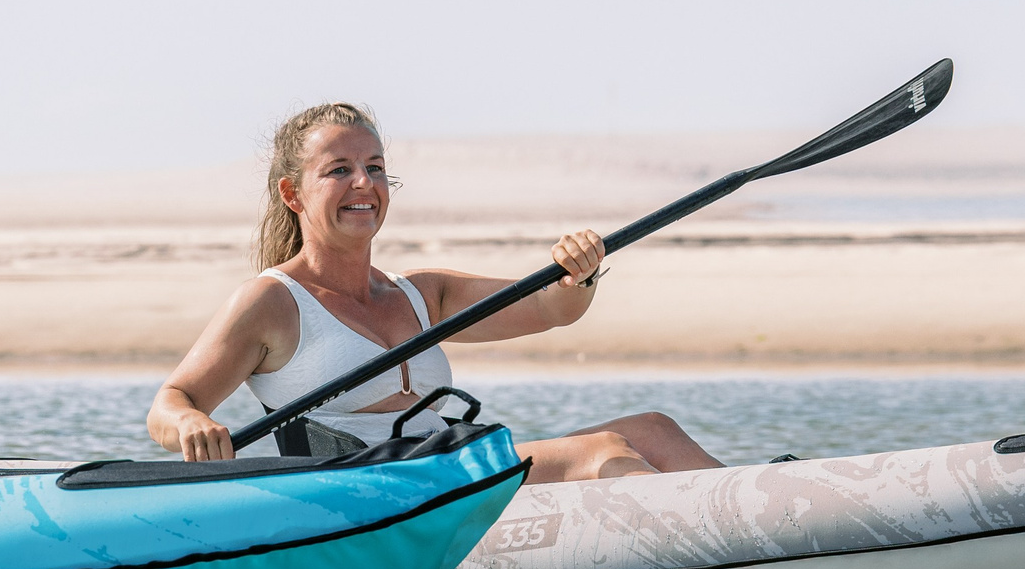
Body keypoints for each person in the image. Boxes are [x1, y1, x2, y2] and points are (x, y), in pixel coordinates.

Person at [147, 101, 724, 482]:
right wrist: (191, 424)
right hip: (373, 500)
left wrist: (579, 273)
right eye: (339, 169)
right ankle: (710, 562)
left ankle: (766, 527)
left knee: (652, 429)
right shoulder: (271, 301)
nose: (364, 183)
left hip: (448, 470)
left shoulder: (423, 294)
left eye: (375, 167)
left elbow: (552, 307)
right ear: (293, 194)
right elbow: (170, 404)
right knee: (600, 454)